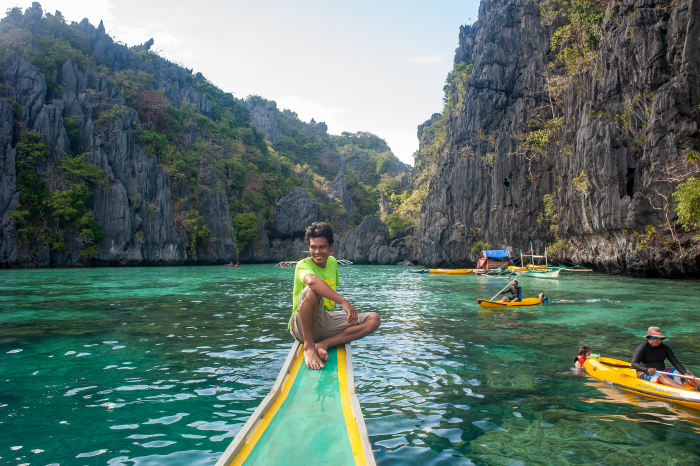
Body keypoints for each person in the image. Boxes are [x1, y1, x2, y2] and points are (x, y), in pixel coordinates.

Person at [289, 222, 381, 370]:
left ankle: (324, 344)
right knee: (312, 290)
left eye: (322, 247)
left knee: (374, 319)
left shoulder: (332, 262)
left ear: (331, 246)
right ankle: (309, 348)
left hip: (325, 319)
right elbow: (312, 281)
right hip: (302, 326)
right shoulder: (303, 264)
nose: (317, 252)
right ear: (308, 247)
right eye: (313, 247)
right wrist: (343, 301)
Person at [631, 326, 699, 390]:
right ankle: (686, 391)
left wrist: (685, 374)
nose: (656, 340)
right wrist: (647, 370)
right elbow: (634, 363)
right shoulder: (642, 347)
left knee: (686, 372)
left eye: (658, 338)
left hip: (662, 371)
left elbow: (675, 363)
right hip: (645, 373)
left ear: (661, 339)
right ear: (648, 338)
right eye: (652, 337)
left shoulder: (665, 348)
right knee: (661, 376)